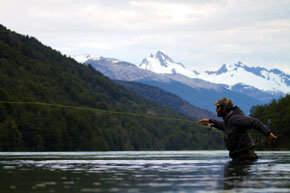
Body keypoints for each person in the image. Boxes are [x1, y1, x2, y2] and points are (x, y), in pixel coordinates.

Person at [198, 97, 277, 161]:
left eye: (218, 107)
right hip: (240, 158)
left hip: (246, 158)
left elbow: (254, 122)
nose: (216, 109)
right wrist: (210, 121)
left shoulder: (235, 118)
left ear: (224, 109)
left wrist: (268, 134)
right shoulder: (229, 120)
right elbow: (223, 125)